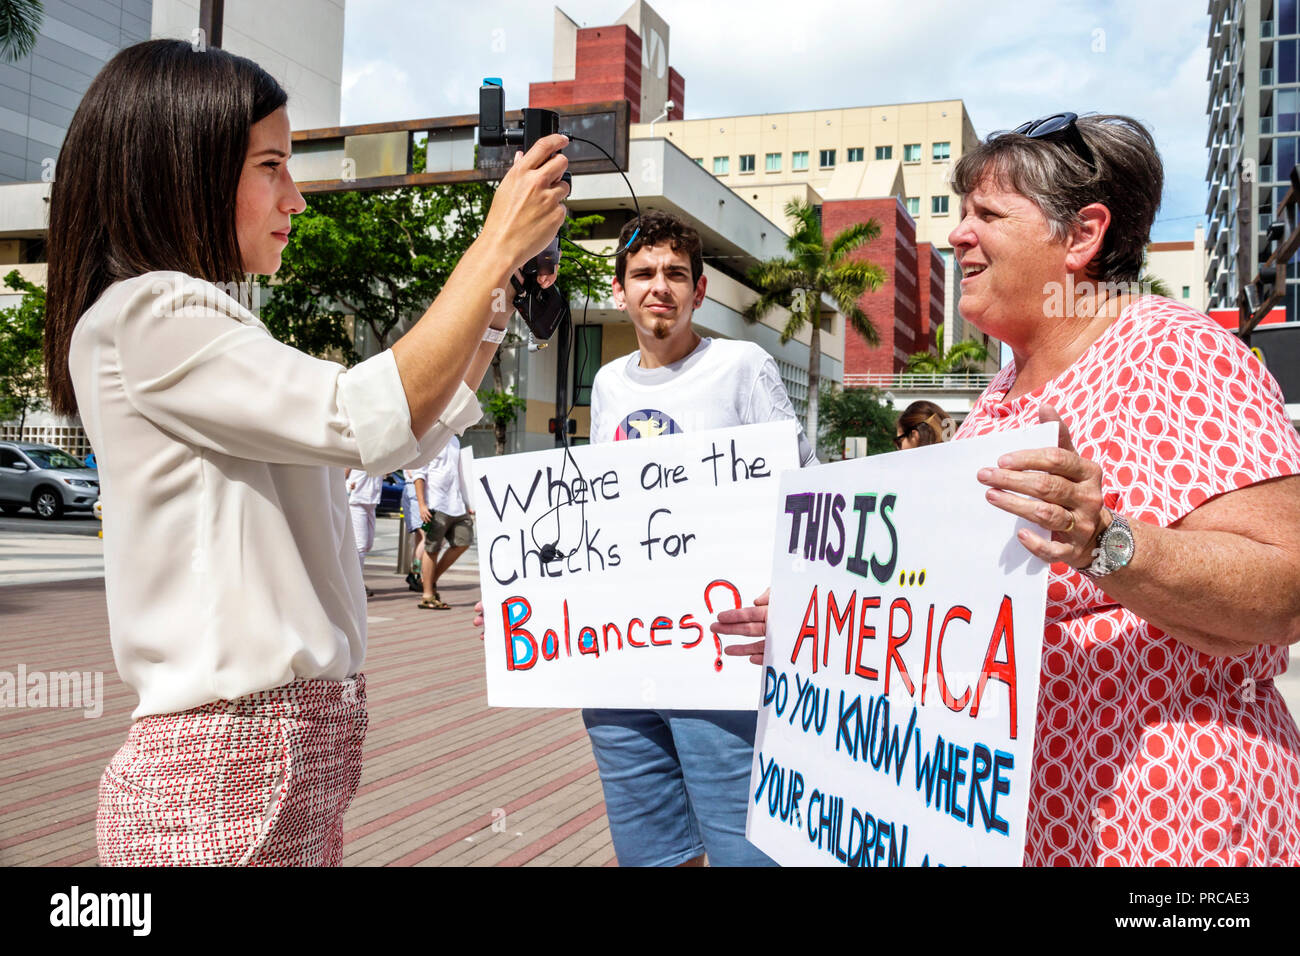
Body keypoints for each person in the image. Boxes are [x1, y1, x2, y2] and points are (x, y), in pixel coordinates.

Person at [719, 112, 1300, 866]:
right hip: (1020, 829)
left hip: (1170, 827)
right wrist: (822, 623)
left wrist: (1105, 542)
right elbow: (940, 606)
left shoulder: (1178, 351)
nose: (959, 235)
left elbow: (1285, 589)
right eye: (962, 214)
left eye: (986, 215)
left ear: (1083, 235)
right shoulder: (997, 398)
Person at [44, 39, 570, 866]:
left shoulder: (186, 319)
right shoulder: (149, 313)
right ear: (184, 167)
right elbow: (360, 418)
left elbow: (389, 435)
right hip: (231, 754)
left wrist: (494, 305)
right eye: (270, 166)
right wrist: (491, 249)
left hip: (266, 751)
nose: (296, 196)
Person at [582, 210, 816, 867]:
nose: (659, 286)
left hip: (722, 663)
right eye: (643, 273)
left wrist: (792, 594)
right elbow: (601, 516)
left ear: (700, 290)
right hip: (621, 671)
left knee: (749, 855)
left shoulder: (742, 366)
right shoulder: (606, 385)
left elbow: (802, 494)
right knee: (652, 857)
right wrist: (532, 599)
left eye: (675, 274)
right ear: (619, 289)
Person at [414, 434, 473, 610]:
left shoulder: (455, 440)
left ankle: (430, 580)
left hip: (457, 503)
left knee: (464, 541)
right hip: (436, 503)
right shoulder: (428, 438)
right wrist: (422, 504)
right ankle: (427, 595)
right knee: (432, 548)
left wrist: (469, 502)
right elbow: (419, 473)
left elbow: (460, 474)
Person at [345, 468, 383, 596]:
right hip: (356, 499)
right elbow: (344, 470)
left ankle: (352, 580)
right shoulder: (357, 450)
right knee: (360, 545)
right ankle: (356, 584)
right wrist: (344, 485)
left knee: (367, 544)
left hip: (371, 501)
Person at [401, 466, 427, 592]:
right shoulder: (413, 449)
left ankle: (415, 574)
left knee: (420, 537)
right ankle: (414, 573)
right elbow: (413, 473)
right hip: (415, 490)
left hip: (418, 490)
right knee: (427, 537)